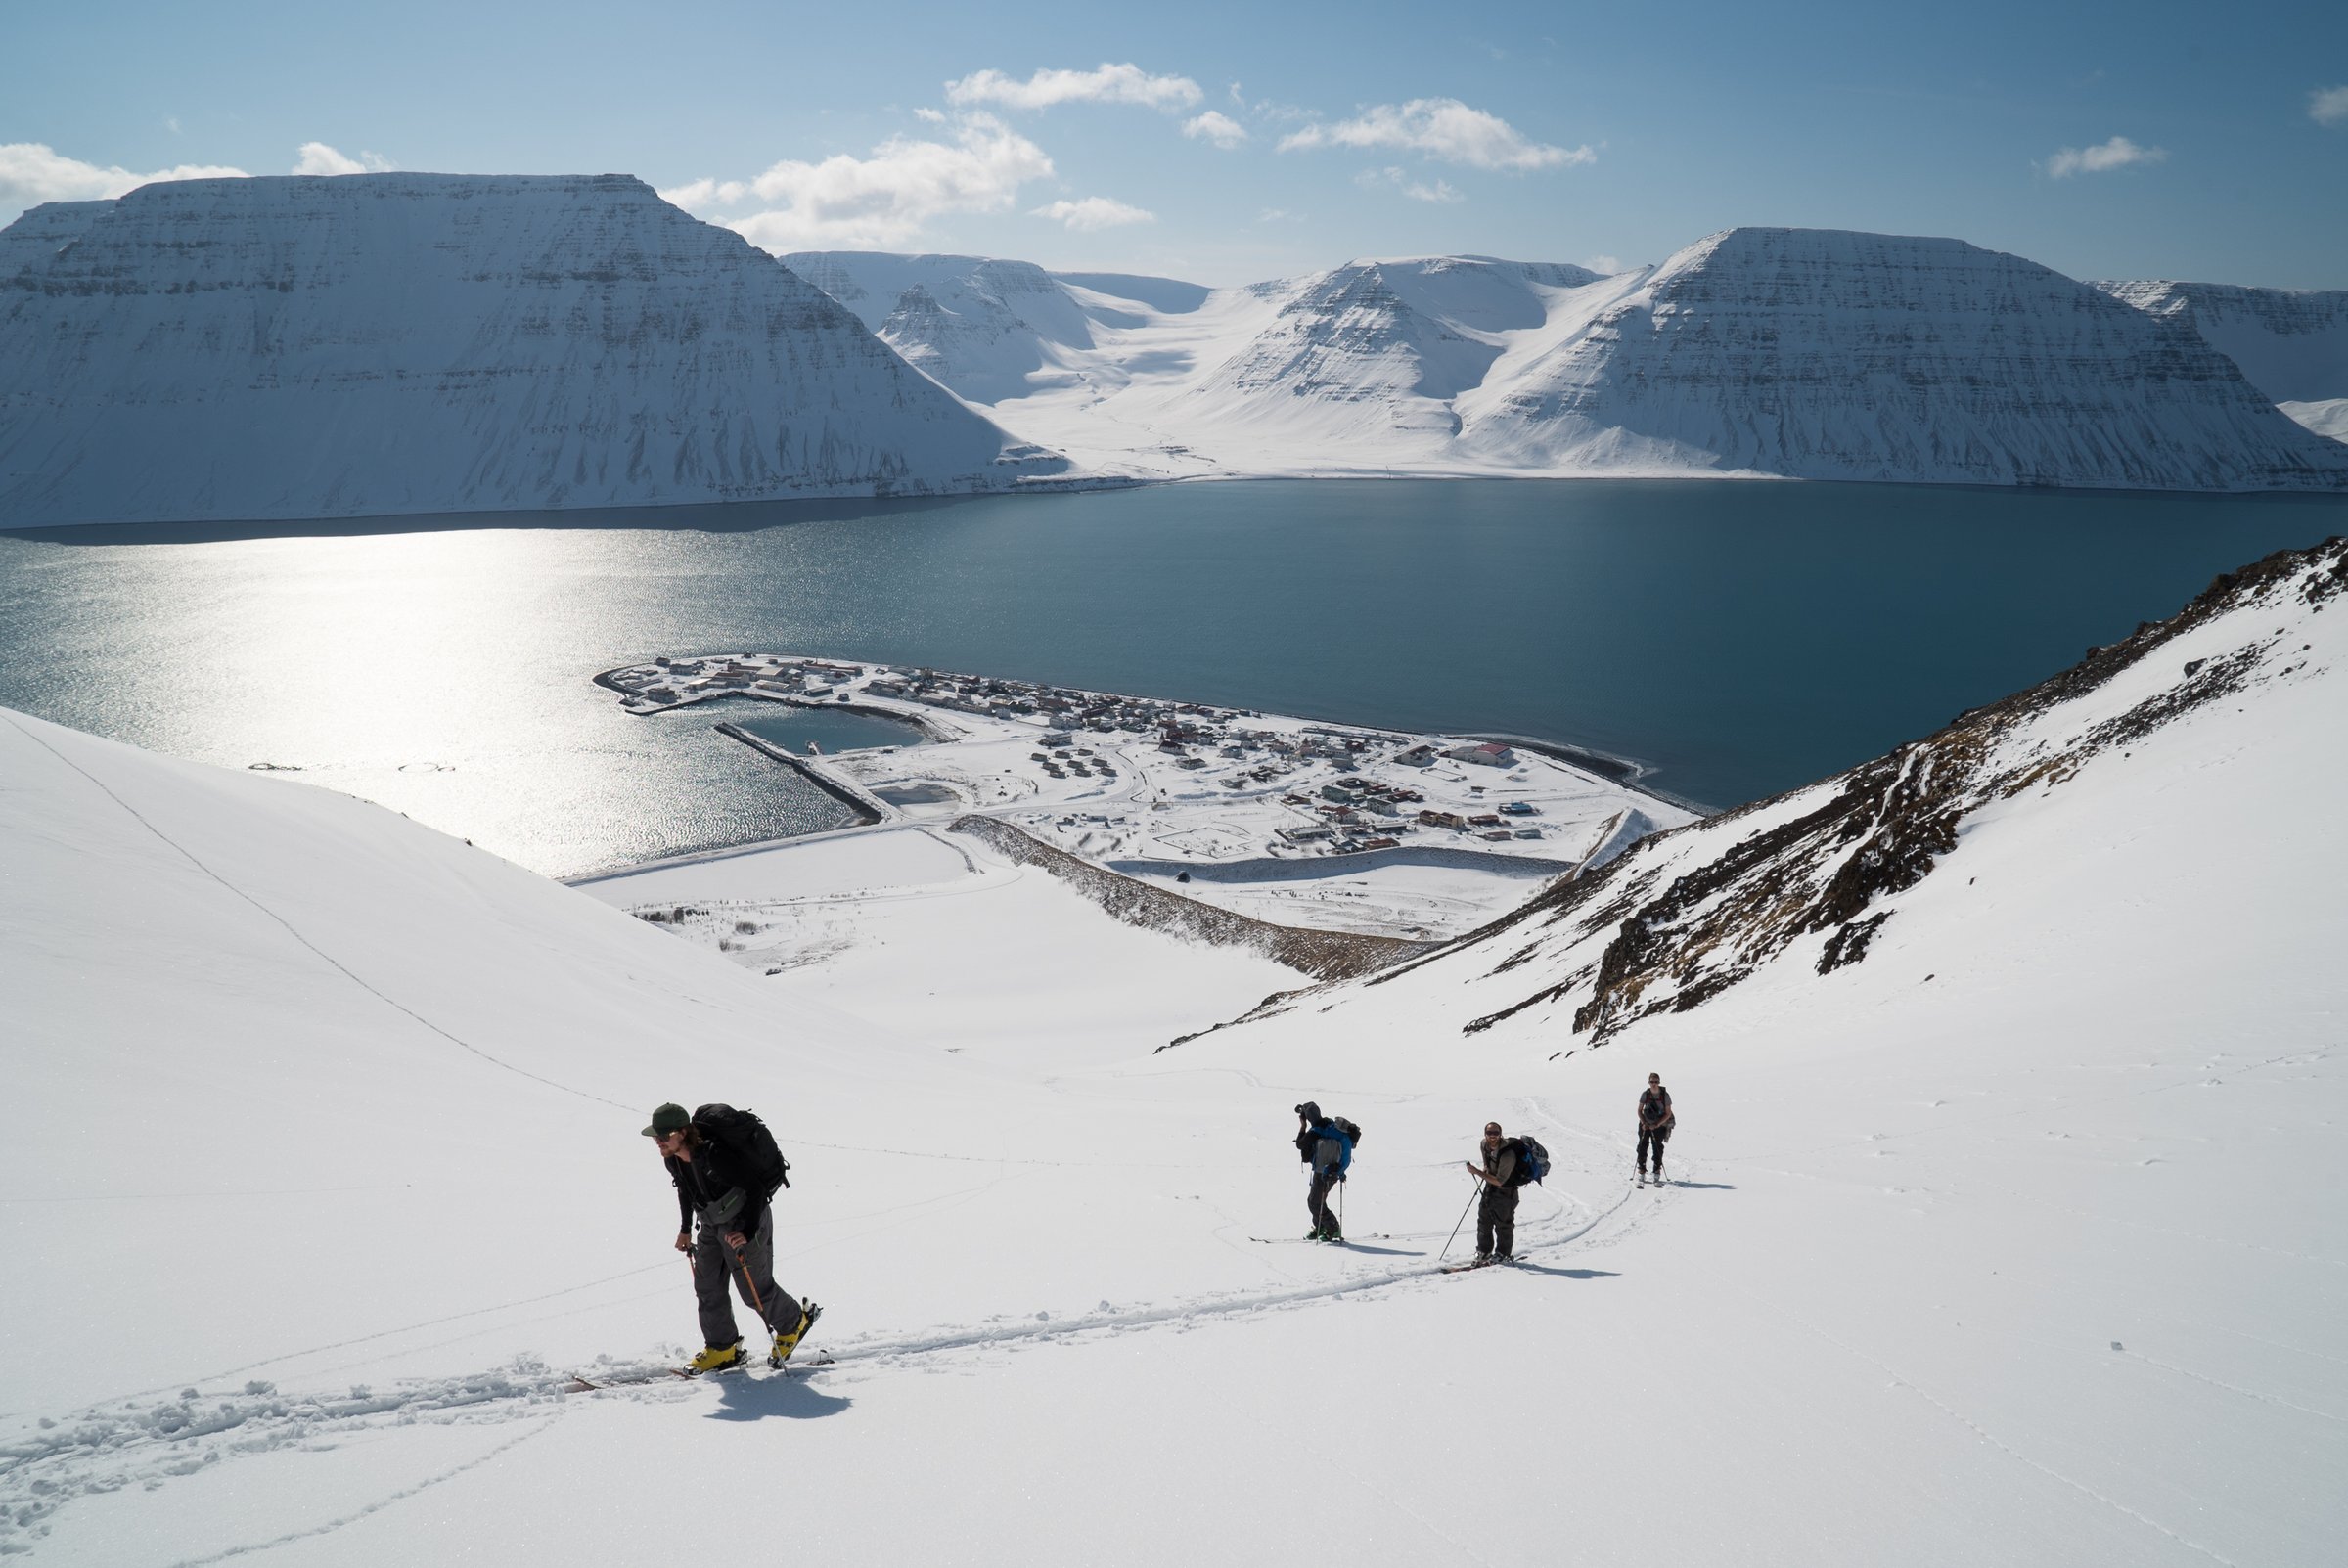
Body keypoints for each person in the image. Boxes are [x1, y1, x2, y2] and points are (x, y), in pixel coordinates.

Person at [644, 1102, 816, 1372]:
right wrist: (685, 1228)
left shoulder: (714, 1156)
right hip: (711, 1222)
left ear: (682, 1133)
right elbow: (686, 1191)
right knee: (707, 1284)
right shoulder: (673, 1159)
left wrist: (746, 1231)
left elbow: (756, 1189)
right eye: (656, 1137)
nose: (658, 1142)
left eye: (663, 1136)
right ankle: (722, 1348)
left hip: (745, 1219)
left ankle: (795, 1323)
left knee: (754, 1290)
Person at [1292, 1101, 1353, 1241]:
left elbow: (1300, 1144)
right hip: (1336, 1170)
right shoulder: (1331, 1125)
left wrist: (1303, 1126)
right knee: (1318, 1200)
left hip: (1325, 1172)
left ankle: (1333, 1228)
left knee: (1314, 1202)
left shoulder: (1317, 1130)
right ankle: (1320, 1227)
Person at [1463, 1121, 1518, 1263]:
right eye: (1489, 1133)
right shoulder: (1484, 1144)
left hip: (1506, 1190)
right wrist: (1486, 1168)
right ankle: (1484, 1251)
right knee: (1484, 1219)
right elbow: (1487, 1162)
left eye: (1495, 1133)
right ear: (1485, 1134)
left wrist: (1477, 1172)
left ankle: (1503, 1254)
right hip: (1490, 1187)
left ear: (1500, 1134)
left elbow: (1500, 1181)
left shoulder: (1508, 1154)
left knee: (1503, 1224)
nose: (1492, 1136)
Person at [1638, 1073, 1675, 1184]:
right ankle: (1641, 1171)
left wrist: (1657, 1124)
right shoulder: (1645, 1094)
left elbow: (1668, 1113)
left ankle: (1657, 1171)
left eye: (1656, 1082)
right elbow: (1639, 1110)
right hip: (1645, 1124)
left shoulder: (1665, 1095)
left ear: (1659, 1082)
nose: (1654, 1084)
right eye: (1652, 1082)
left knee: (1657, 1148)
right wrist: (1643, 1123)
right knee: (1642, 1146)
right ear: (1649, 1082)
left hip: (1659, 1125)